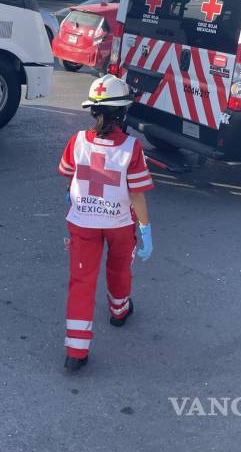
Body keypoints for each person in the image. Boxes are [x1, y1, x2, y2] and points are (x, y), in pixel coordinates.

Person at [57, 74, 155, 371]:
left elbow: (68, 174)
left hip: (83, 223)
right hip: (119, 224)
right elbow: (136, 196)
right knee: (118, 268)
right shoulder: (131, 148)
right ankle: (119, 310)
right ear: (123, 112)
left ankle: (76, 351)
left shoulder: (77, 142)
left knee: (81, 283)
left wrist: (75, 198)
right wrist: (146, 230)